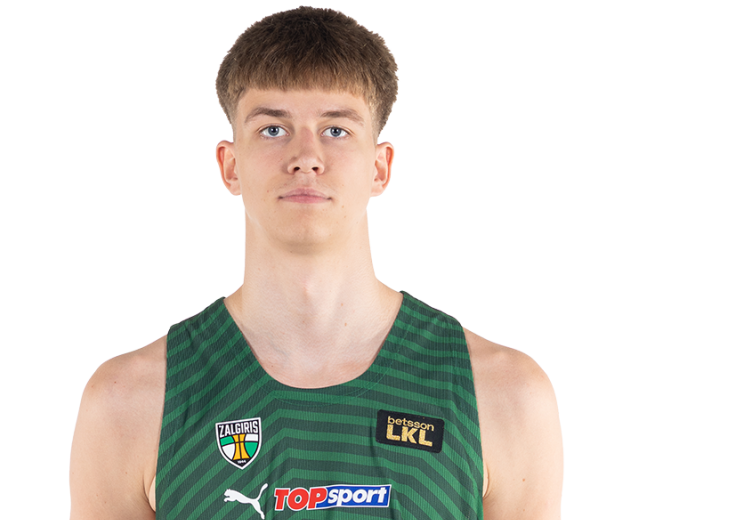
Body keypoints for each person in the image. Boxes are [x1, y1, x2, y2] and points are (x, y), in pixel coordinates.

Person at [69, 7, 563, 519]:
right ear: (230, 165)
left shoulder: (503, 396)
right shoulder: (130, 403)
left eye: (336, 130)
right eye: (273, 129)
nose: (306, 157)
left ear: (380, 167)